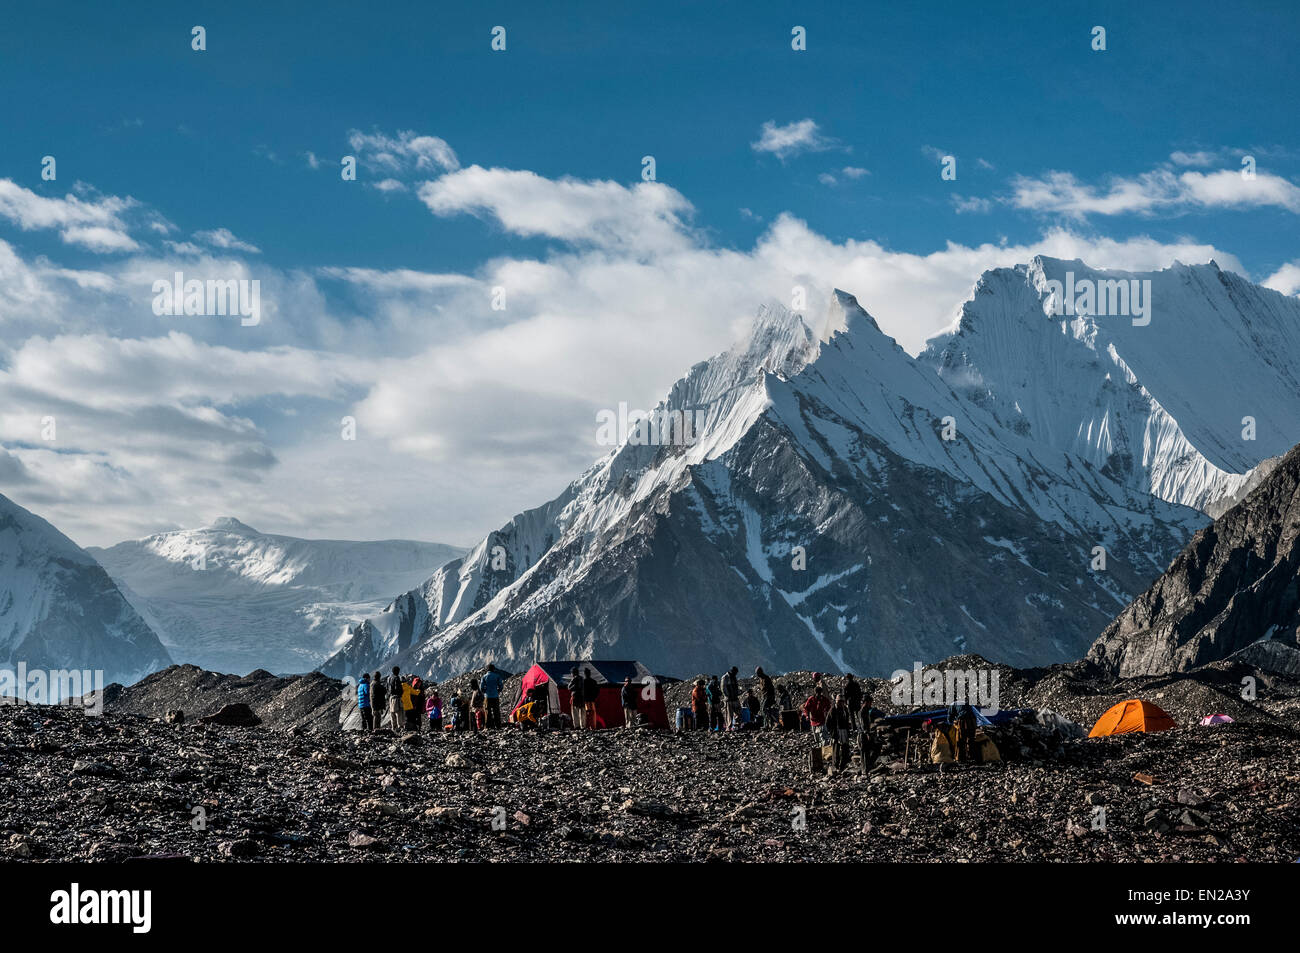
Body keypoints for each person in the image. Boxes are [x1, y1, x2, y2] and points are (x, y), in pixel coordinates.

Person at [825, 694, 852, 770]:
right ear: (836, 701)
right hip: (837, 732)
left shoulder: (845, 710)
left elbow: (847, 720)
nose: (841, 703)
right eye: (839, 701)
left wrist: (848, 730)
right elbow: (827, 722)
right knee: (836, 750)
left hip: (844, 732)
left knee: (845, 749)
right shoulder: (833, 710)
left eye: (842, 701)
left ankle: (843, 766)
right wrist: (832, 732)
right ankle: (835, 766)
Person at [481, 664, 504, 729]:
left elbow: (481, 687)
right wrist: (498, 691)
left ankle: (489, 726)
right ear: (493, 669)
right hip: (495, 696)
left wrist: (485, 692)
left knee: (487, 712)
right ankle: (498, 726)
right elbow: (501, 686)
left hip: (487, 697)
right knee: (496, 711)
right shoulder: (497, 676)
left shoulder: (484, 677)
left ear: (487, 669)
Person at [385, 666, 404, 732]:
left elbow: (387, 687)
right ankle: (400, 726)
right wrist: (401, 693)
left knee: (392, 712)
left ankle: (394, 726)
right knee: (398, 712)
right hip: (396, 697)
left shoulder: (389, 678)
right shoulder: (396, 678)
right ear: (397, 671)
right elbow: (397, 688)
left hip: (391, 697)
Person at [722, 666, 741, 730]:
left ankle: (737, 725)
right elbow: (723, 688)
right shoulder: (725, 677)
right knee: (729, 715)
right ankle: (729, 727)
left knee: (738, 712)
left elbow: (736, 687)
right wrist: (728, 696)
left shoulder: (734, 677)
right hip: (729, 699)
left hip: (735, 698)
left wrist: (737, 693)